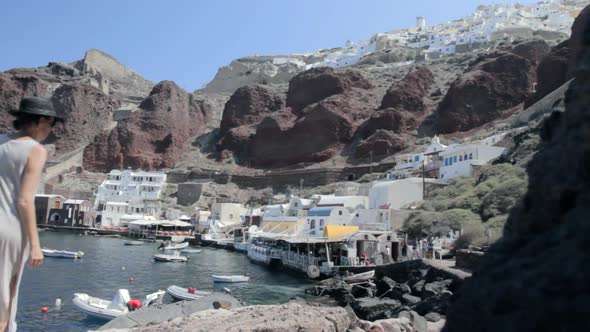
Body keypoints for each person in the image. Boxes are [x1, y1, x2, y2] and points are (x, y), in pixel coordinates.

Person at [0, 96, 63, 332]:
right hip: (10, 230)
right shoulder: (35, 150)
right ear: (41, 121)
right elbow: (25, 201)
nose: (51, 129)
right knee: (5, 301)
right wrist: (35, 245)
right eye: (51, 123)